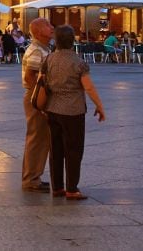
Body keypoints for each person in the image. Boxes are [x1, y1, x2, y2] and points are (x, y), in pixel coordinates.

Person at [44, 24, 106, 200]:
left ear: (56, 40)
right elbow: (89, 87)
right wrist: (99, 105)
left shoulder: (48, 59)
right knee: (73, 149)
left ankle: (57, 187)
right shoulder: (78, 62)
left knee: (55, 149)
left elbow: (42, 82)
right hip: (73, 111)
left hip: (52, 109)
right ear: (72, 41)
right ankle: (71, 188)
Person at [21, 17, 54, 192]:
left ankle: (34, 176)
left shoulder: (43, 49)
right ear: (39, 31)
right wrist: (41, 97)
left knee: (41, 138)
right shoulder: (36, 50)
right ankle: (31, 179)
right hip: (36, 97)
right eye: (48, 25)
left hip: (37, 95)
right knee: (37, 138)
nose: (52, 27)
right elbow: (29, 77)